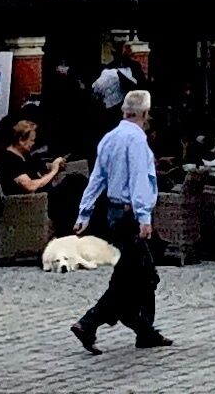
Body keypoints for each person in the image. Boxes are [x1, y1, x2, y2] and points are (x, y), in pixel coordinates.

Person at [70, 89, 171, 354]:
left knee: (138, 274)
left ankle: (143, 329)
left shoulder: (109, 138)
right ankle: (90, 322)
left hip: (114, 213)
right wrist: (144, 217)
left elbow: (97, 178)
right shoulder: (136, 140)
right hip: (130, 215)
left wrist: (84, 213)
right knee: (134, 277)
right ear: (145, 113)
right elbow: (139, 179)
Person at [0, 116, 67, 196]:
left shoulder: (25, 155)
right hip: (30, 200)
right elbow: (30, 186)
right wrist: (53, 171)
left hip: (41, 194)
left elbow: (39, 167)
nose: (33, 143)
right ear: (21, 140)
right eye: (31, 140)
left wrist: (54, 164)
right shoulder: (9, 159)